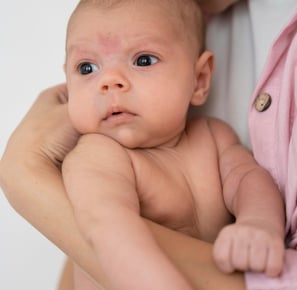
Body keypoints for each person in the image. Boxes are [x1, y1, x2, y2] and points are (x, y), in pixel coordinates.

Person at [0, 0, 297, 290]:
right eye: (87, 67)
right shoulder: (96, 157)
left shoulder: (214, 137)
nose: (109, 81)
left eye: (143, 60)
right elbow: (109, 230)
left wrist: (258, 224)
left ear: (199, 79)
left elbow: (249, 179)